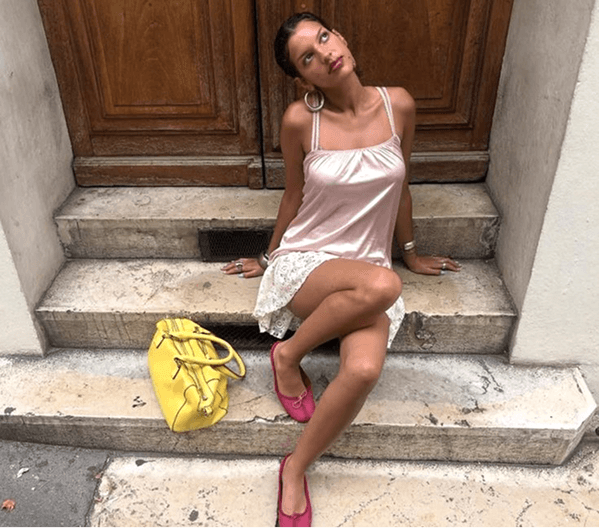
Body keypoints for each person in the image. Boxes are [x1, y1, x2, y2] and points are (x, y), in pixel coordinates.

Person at [222, 12, 460, 527]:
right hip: (309, 261)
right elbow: (293, 195)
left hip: (368, 268)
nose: (325, 53)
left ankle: (295, 467)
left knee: (365, 370)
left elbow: (401, 185)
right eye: (308, 56)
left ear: (342, 36)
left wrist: (411, 252)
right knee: (383, 284)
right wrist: (267, 257)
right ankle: (288, 356)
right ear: (302, 77)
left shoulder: (398, 105)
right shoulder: (299, 120)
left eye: (324, 37)